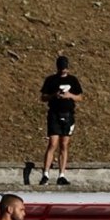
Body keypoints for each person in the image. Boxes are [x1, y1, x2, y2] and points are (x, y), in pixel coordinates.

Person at [39, 55, 83, 186]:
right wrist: (54, 95)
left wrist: (70, 95)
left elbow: (80, 97)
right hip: (54, 114)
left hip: (68, 114)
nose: (63, 70)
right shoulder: (51, 80)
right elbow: (43, 97)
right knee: (53, 143)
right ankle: (46, 174)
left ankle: (61, 174)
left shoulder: (73, 80)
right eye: (61, 68)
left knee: (64, 144)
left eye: (65, 68)